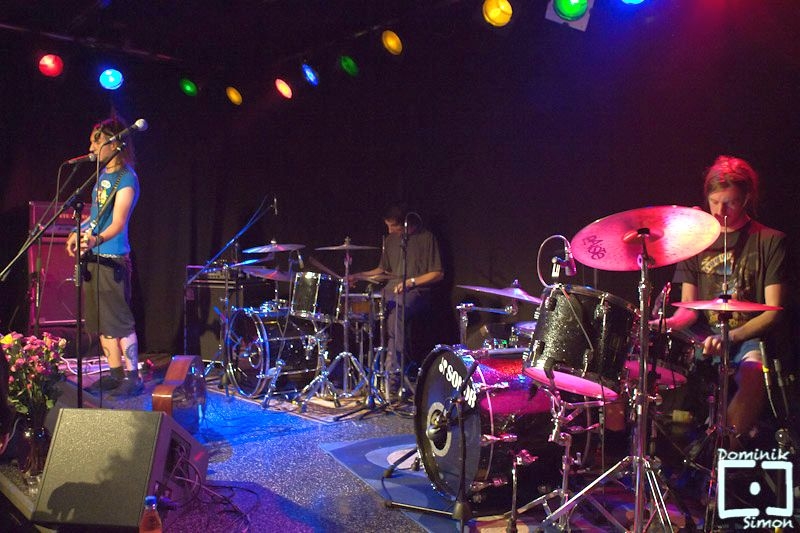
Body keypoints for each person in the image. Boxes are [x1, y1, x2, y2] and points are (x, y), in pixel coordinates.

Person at [658, 155, 788, 445]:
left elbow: (773, 311)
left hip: (748, 335)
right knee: (658, 369)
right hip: (704, 335)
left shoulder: (769, 241)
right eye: (714, 202)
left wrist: (732, 337)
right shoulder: (696, 241)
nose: (719, 211)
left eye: (730, 203)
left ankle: (721, 450)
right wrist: (666, 324)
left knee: (753, 375)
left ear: (747, 198)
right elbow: (688, 309)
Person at [66, 116, 143, 397]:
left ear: (114, 143)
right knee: (101, 322)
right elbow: (96, 217)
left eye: (96, 142)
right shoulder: (101, 178)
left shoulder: (127, 178)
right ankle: (115, 373)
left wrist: (95, 239)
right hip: (94, 259)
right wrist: (77, 232)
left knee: (119, 321)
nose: (91, 148)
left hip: (113, 260)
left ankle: (133, 376)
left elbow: (118, 222)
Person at [352, 204, 444, 399]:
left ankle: (392, 379)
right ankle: (365, 376)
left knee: (396, 317)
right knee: (361, 311)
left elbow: (437, 273)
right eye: (388, 226)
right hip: (390, 291)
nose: (390, 230)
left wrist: (411, 282)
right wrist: (358, 276)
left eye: (393, 226)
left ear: (407, 223)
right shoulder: (390, 240)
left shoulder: (427, 238)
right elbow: (382, 271)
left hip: (417, 292)